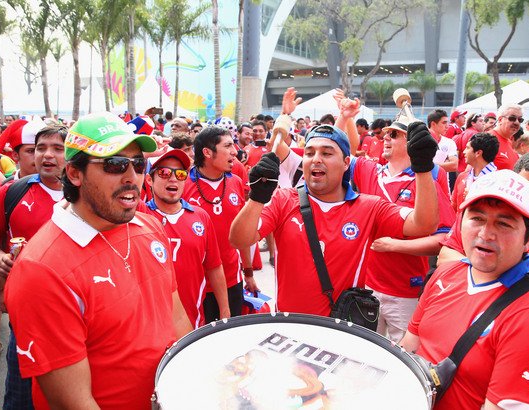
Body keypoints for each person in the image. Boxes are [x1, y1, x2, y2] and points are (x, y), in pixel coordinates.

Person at [5, 112, 192, 408]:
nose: (132, 177)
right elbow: (74, 403)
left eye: (138, 164)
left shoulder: (150, 226)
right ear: (75, 173)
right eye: (115, 164)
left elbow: (176, 317)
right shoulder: (41, 271)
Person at [229, 116, 440, 317]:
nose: (316, 160)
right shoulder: (283, 199)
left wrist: (422, 168)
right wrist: (256, 198)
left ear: (346, 162)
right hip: (289, 327)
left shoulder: (369, 207)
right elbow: (239, 240)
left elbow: (423, 225)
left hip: (342, 333)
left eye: (327, 153)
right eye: (309, 153)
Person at [401, 169, 529, 409]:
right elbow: (408, 346)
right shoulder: (447, 274)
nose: (485, 234)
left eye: (503, 223)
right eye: (477, 219)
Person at [440, 150, 529, 316]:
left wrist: (509, 280)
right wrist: (499, 275)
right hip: (460, 309)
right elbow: (444, 256)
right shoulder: (476, 215)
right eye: (524, 188)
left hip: (517, 322)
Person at [350, 117, 455, 341]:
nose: (386, 137)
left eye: (395, 134)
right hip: (366, 287)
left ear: (412, 143)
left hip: (404, 292)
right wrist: (346, 115)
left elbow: (444, 240)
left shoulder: (426, 183)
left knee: (404, 358)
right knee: (364, 353)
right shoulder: (370, 171)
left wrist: (394, 245)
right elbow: (344, 150)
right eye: (386, 133)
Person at [0, 125, 67, 409]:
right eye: (41, 148)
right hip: (25, 322)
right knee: (21, 400)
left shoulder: (87, 197)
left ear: (70, 155)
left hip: (75, 319)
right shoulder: (10, 194)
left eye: (58, 149)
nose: (48, 155)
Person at [142, 149, 229, 328]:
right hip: (148, 324)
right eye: (164, 173)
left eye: (180, 174)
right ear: (149, 179)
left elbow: (214, 266)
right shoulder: (139, 215)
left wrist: (225, 310)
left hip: (192, 320)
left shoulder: (201, 217)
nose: (173, 179)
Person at [182, 126, 256, 322]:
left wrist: (248, 272)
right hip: (197, 285)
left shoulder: (236, 182)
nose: (235, 151)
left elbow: (242, 233)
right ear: (207, 152)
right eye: (228, 146)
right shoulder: (183, 186)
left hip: (232, 279)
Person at [451, 132, 499, 212]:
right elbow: (453, 207)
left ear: (478, 153)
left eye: (467, 148)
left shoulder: (498, 181)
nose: (464, 152)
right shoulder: (462, 177)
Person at [488, 104, 522, 170]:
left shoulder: (508, 141)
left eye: (520, 119)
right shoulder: (488, 140)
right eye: (512, 118)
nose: (517, 122)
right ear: (500, 120)